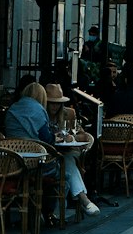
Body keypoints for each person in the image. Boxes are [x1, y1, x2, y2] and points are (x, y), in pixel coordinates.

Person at [6, 81, 98, 216]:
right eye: (51, 102)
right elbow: (47, 139)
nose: (54, 106)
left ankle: (76, 203)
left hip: (13, 162)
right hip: (37, 163)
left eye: (57, 103)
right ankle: (62, 209)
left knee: (66, 160)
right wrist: (57, 137)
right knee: (65, 165)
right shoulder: (38, 111)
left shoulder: (13, 109)